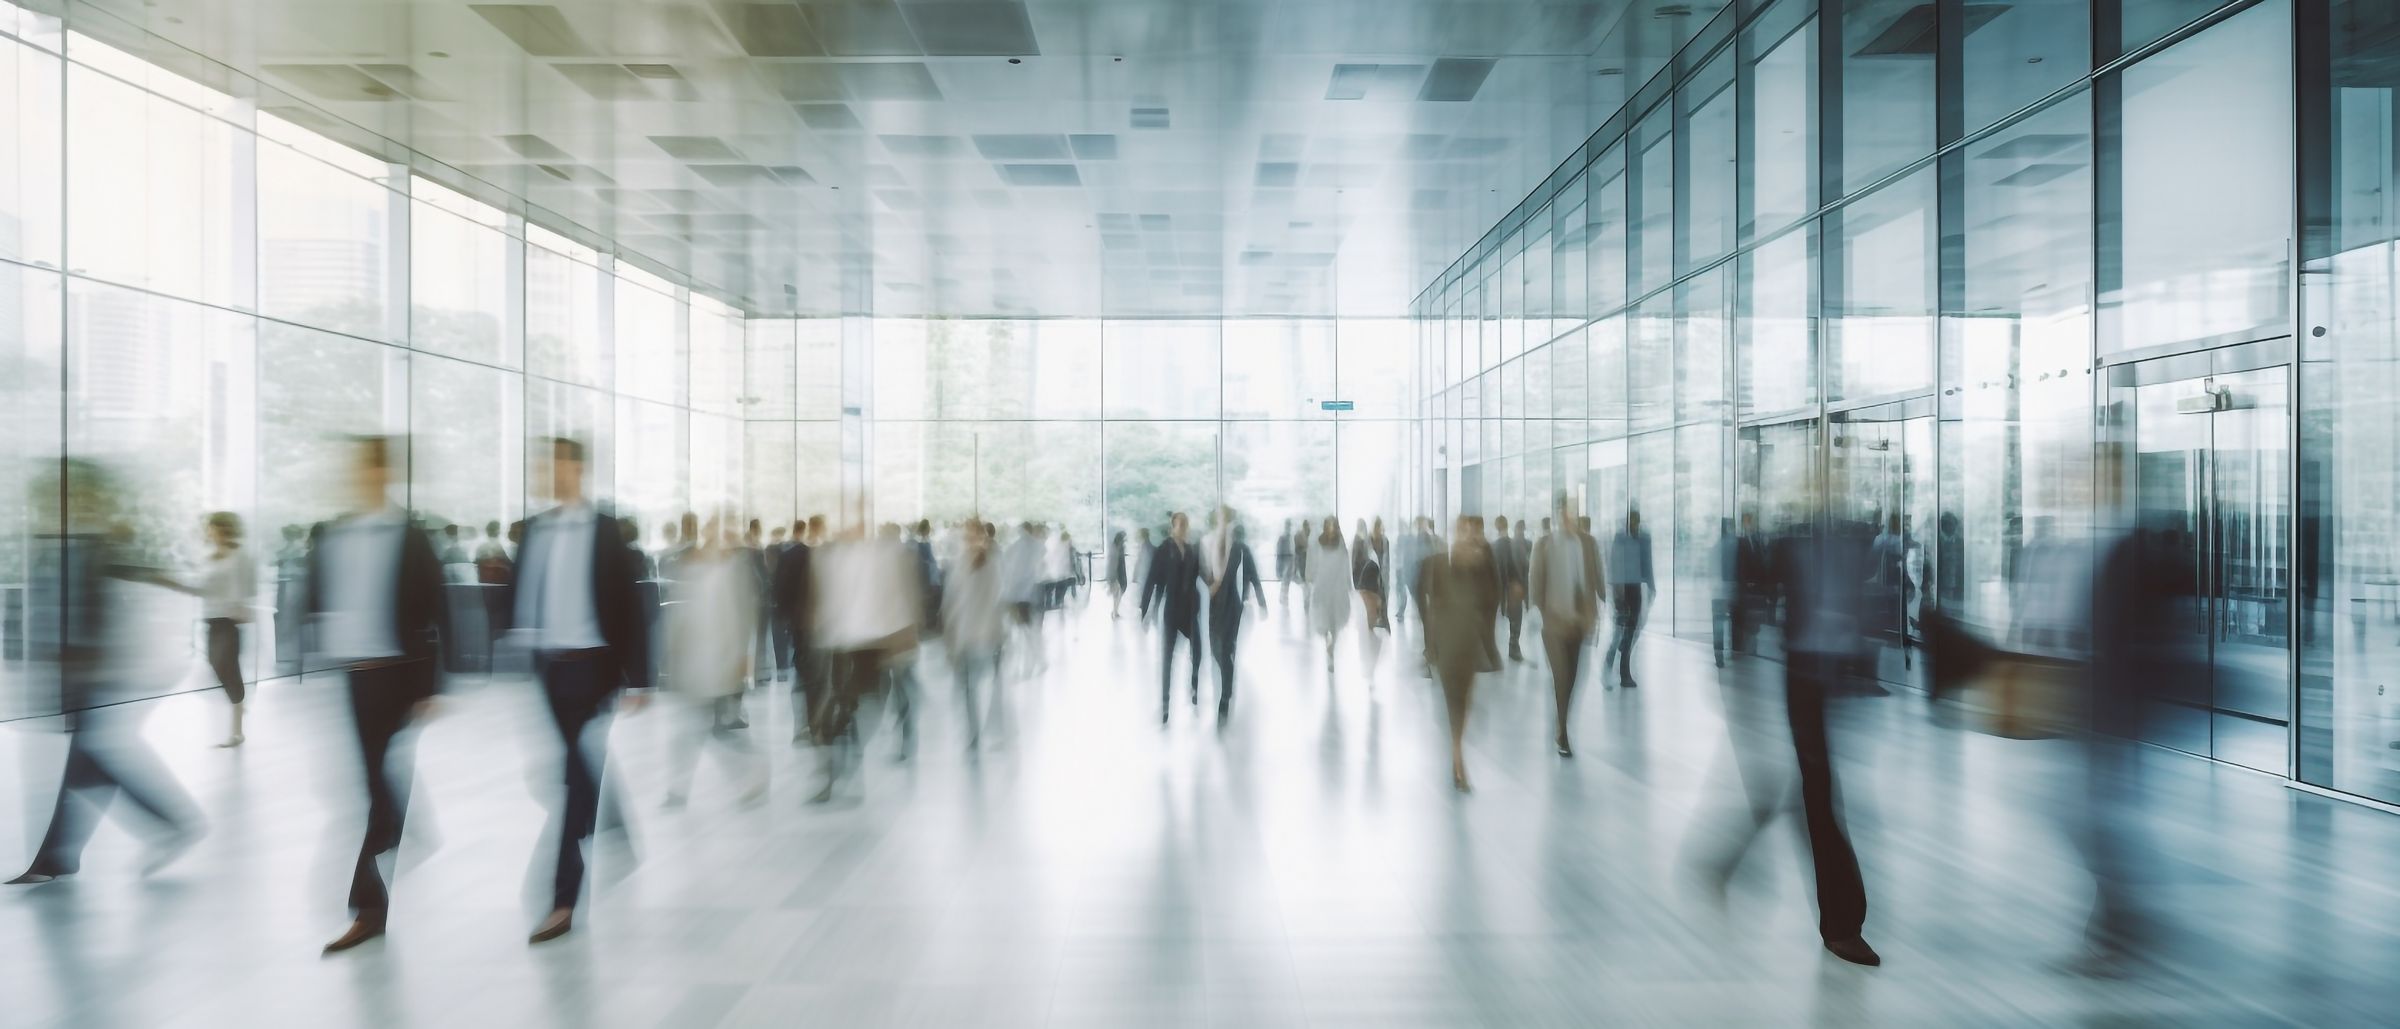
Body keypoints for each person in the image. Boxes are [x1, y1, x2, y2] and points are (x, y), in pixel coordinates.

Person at [9, 460, 207, 889]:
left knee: (96, 754)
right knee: (87, 762)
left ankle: (174, 822)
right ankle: (58, 855)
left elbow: (109, 598)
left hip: (101, 673)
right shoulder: (60, 543)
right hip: (83, 671)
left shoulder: (93, 543)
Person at [308, 437, 446, 954]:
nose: (358, 475)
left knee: (376, 786)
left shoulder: (410, 536)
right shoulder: (334, 534)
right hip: (355, 674)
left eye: (367, 467)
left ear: (384, 473)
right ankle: (397, 829)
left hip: (397, 673)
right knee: (376, 782)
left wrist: (432, 686)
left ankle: (367, 905)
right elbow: (319, 597)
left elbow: (437, 610)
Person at [511, 437, 651, 945]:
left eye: (551, 464)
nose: (544, 472)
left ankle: (563, 898)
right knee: (575, 769)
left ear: (576, 469)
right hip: (549, 667)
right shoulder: (534, 531)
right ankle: (612, 823)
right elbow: (519, 595)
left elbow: (631, 605)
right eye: (540, 463)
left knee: (572, 774)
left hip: (593, 666)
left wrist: (640, 677)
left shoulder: (604, 530)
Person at [660, 514, 765, 808]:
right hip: (695, 660)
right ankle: (680, 788)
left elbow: (743, 618)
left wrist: (743, 660)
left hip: (720, 659)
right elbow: (682, 616)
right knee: (699, 727)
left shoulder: (734, 571)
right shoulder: (693, 568)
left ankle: (683, 788)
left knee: (712, 728)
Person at [147, 512, 257, 748]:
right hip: (211, 621)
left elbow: (248, 586)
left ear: (225, 529)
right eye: (209, 528)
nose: (209, 532)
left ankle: (237, 730)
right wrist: (170, 582)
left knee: (226, 667)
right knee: (217, 666)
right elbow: (200, 589)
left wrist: (242, 607)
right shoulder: (209, 559)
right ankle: (238, 703)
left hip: (229, 620)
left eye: (213, 527)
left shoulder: (241, 556)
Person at [1420, 515, 1500, 792]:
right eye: (1463, 533)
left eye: (1472, 534)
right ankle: (1458, 762)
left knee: (1462, 703)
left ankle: (1457, 754)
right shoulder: (1439, 565)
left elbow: (1491, 600)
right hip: (1447, 643)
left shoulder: (1480, 566)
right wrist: (1430, 647)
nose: (1468, 538)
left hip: (1468, 643)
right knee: (1454, 701)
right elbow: (1431, 608)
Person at [1530, 497, 1602, 757]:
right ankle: (1562, 732)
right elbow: (1535, 582)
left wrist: (1597, 608)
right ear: (1559, 516)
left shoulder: (1588, 544)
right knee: (1561, 675)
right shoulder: (1544, 545)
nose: (1569, 517)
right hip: (1554, 623)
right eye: (1565, 513)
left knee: (1573, 677)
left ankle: (1560, 718)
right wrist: (1538, 612)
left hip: (1579, 622)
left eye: (1573, 513)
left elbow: (1595, 577)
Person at [943, 519, 1007, 748]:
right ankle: (973, 731)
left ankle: (978, 732)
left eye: (972, 535)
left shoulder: (990, 563)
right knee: (968, 687)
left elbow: (996, 600)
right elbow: (952, 603)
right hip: (967, 634)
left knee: (974, 686)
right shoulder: (961, 563)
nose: (968, 540)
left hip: (982, 635)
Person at [1138, 512, 1205, 722]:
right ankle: (1165, 703)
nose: (1184, 528)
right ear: (1173, 526)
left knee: (1198, 651)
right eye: (1181, 525)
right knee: (1167, 657)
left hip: (1190, 609)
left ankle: (1193, 686)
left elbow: (1202, 574)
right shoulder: (1164, 550)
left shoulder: (1193, 550)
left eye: (1186, 524)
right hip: (1172, 609)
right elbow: (1151, 580)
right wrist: (1144, 610)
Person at [1201, 511, 1267, 720]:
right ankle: (1226, 684)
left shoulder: (1240, 549)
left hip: (1231, 607)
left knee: (1227, 649)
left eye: (1227, 523)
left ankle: (1225, 695)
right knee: (1215, 651)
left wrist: (1262, 603)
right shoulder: (1207, 545)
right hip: (1212, 606)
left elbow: (1254, 576)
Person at [773, 516, 821, 743]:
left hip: (799, 625)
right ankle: (814, 724)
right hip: (814, 625)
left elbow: (780, 590)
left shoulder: (788, 555)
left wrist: (787, 619)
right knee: (814, 677)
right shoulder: (819, 555)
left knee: (802, 675)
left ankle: (802, 727)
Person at [1602, 509, 1655, 688]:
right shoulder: (1620, 538)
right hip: (1621, 588)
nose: (1634, 524)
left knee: (1631, 630)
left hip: (1635, 587)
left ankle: (1625, 671)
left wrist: (1651, 585)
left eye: (1637, 521)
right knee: (1619, 630)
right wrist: (1615, 589)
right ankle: (1608, 665)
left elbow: (1647, 562)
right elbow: (1614, 563)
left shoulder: (1643, 538)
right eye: (1632, 520)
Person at [1307, 517, 1353, 674]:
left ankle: (1331, 649)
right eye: (1329, 525)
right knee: (1324, 620)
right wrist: (1311, 578)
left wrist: (1348, 584)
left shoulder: (1341, 543)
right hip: (1323, 586)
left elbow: (1346, 564)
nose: (1331, 528)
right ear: (1325, 526)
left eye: (1334, 525)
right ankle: (1328, 647)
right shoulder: (1318, 543)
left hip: (1337, 588)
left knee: (1335, 623)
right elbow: (1313, 563)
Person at [1493, 516, 1528, 662]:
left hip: (1498, 588)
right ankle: (1514, 647)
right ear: (1507, 526)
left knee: (1495, 620)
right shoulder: (1515, 544)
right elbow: (1524, 566)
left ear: (1496, 527)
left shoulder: (1492, 547)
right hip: (1514, 587)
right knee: (1516, 620)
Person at [1105, 530, 1130, 619]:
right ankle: (1115, 612)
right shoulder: (1115, 548)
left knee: (1118, 593)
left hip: (1120, 573)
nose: (1125, 540)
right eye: (1123, 538)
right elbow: (1113, 563)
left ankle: (1115, 611)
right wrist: (1112, 577)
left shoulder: (1119, 547)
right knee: (1117, 593)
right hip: (1116, 574)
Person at [1274, 519, 1296, 606]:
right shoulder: (1282, 538)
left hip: (1289, 560)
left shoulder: (1290, 537)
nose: (1289, 527)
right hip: (1285, 560)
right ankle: (1283, 597)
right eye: (1288, 525)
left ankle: (1284, 597)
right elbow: (1279, 551)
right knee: (1285, 580)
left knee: (1287, 580)